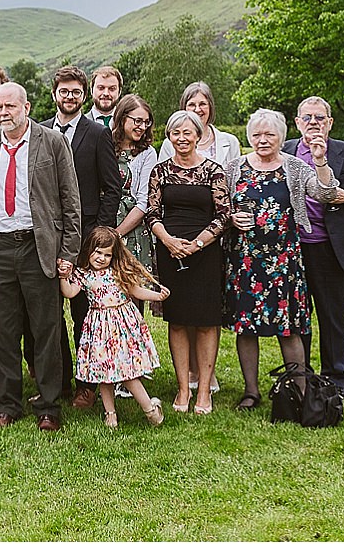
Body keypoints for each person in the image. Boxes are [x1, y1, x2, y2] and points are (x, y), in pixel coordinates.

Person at [0, 82, 82, 430]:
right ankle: (8, 405)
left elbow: (70, 200)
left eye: (10, 106)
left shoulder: (52, 142)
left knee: (45, 328)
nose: (3, 112)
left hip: (39, 246)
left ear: (27, 107)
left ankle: (49, 406)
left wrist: (67, 251)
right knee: (1, 330)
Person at [225, 108, 339, 407]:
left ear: (281, 137)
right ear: (249, 137)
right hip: (245, 261)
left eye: (269, 135)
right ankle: (251, 392)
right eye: (257, 135)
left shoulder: (296, 167)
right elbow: (220, 207)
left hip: (284, 261)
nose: (263, 140)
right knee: (246, 328)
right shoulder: (234, 168)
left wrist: (320, 160)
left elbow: (326, 194)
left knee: (289, 327)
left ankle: (301, 391)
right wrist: (232, 219)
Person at [285, 96, 344, 399]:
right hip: (292, 247)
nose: (314, 123)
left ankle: (336, 379)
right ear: (297, 122)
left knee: (333, 315)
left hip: (330, 247)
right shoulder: (284, 151)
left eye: (320, 118)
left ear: (330, 122)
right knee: (299, 316)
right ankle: (303, 377)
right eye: (307, 118)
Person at [144, 109, 231, 414]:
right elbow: (152, 213)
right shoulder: (161, 170)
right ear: (169, 137)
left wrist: (197, 244)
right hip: (171, 252)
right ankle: (183, 388)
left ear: (198, 135)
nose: (181, 138)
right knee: (178, 320)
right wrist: (167, 240)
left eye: (187, 132)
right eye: (175, 133)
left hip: (205, 253)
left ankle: (204, 389)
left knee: (207, 321)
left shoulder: (214, 171)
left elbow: (224, 216)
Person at [46, 65, 121, 406]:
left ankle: (86, 383)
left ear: (84, 94)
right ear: (54, 94)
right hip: (47, 236)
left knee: (82, 314)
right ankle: (57, 381)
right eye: (64, 91)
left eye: (76, 91)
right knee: (48, 313)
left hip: (85, 236)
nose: (70, 97)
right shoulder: (42, 131)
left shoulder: (96, 133)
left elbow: (111, 187)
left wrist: (99, 235)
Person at [61, 224, 168, 427]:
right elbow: (69, 293)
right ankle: (110, 414)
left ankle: (150, 410)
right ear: (89, 250)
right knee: (104, 372)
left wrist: (156, 295)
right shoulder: (84, 274)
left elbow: (136, 291)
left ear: (113, 256)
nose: (101, 258)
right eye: (97, 252)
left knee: (127, 373)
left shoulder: (117, 271)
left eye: (107, 255)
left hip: (121, 326)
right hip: (99, 327)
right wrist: (64, 276)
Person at [113, 94, 160, 277]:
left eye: (146, 122)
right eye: (137, 121)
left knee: (133, 292)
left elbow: (143, 201)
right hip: (105, 222)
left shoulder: (147, 153)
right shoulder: (105, 144)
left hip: (132, 227)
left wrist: (117, 234)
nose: (142, 127)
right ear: (122, 117)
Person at [181, 81, 241, 172]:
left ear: (210, 107)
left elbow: (235, 181)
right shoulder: (170, 144)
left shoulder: (231, 142)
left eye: (202, 104)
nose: (197, 109)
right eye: (192, 105)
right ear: (184, 108)